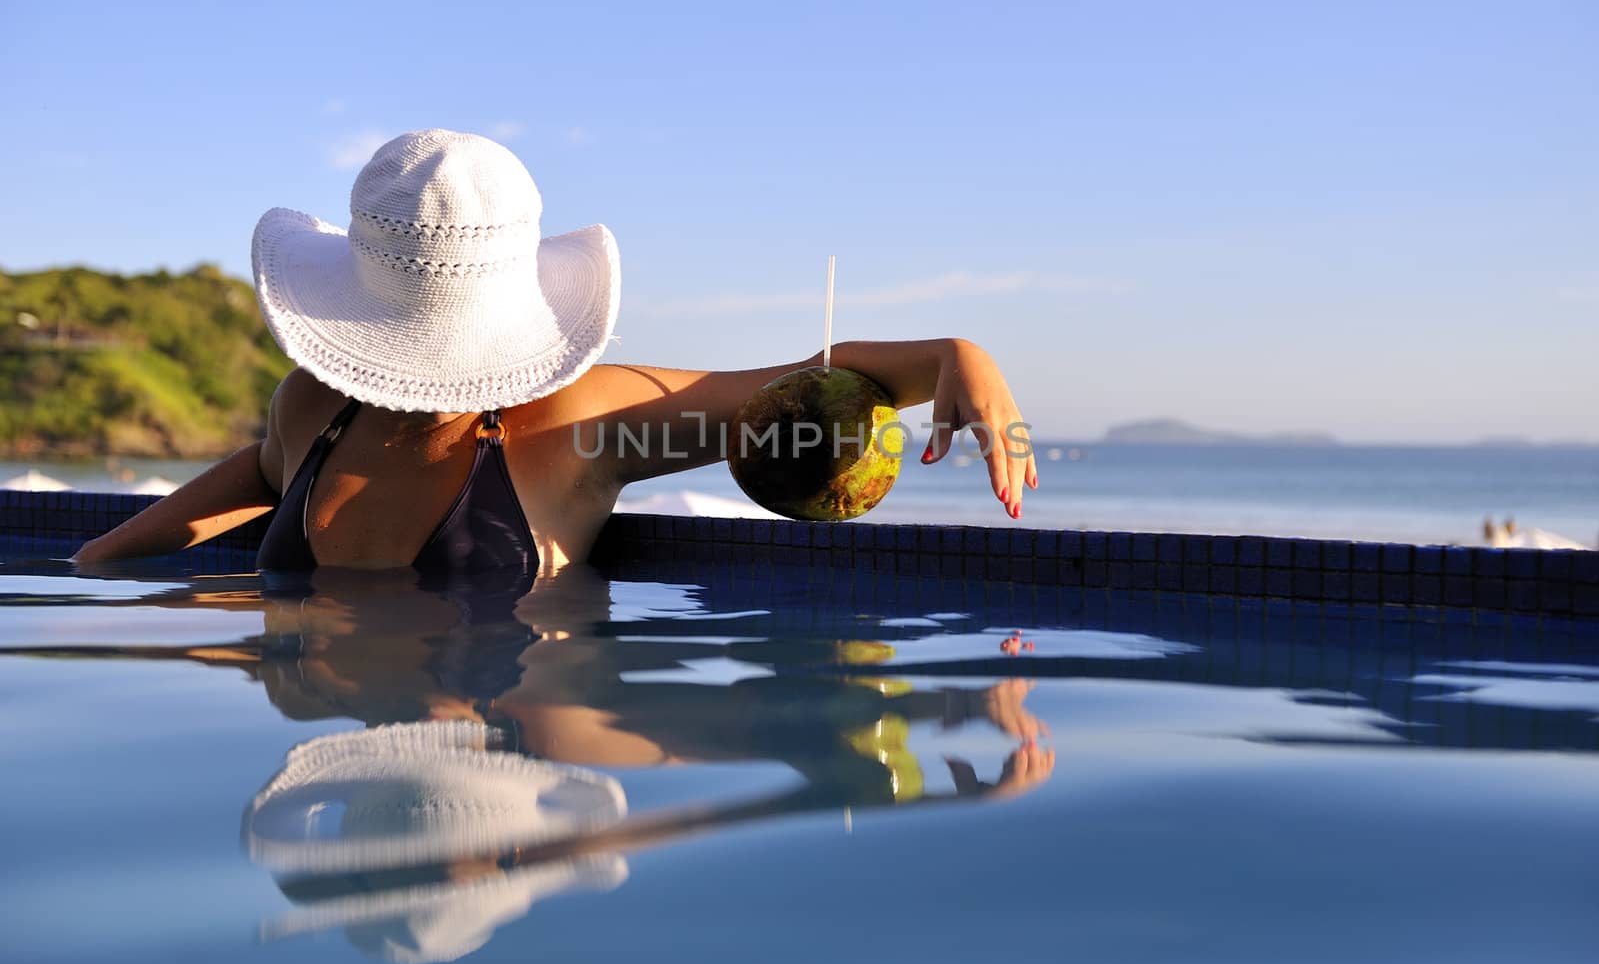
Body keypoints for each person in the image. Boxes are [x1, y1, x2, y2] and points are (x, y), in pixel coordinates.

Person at [73, 130, 1036, 574]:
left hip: (498, 735)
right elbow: (141, 540)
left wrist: (958, 354)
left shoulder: (584, 423)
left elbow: (801, 385)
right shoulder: (310, 407)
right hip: (343, 746)